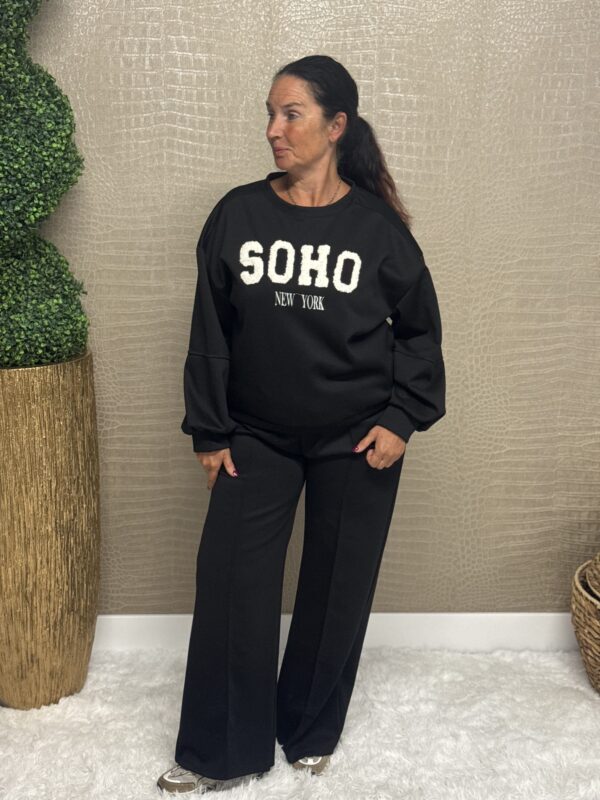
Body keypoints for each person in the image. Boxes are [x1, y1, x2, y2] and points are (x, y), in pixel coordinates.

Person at [157, 54, 446, 795]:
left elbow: (419, 331)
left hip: (357, 437)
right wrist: (210, 430)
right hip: (256, 433)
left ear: (336, 125)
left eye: (292, 114)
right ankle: (221, 751)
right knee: (232, 585)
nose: (273, 130)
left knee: (336, 587)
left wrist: (402, 418)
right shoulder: (238, 214)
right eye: (271, 114)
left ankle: (310, 729)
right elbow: (210, 329)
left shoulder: (378, 228)